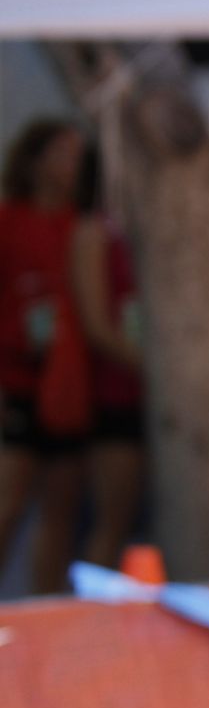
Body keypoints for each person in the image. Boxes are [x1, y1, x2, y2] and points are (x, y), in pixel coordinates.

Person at [0, 120, 91, 595]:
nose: (70, 165)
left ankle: (45, 607)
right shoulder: (9, 220)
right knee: (8, 504)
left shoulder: (82, 225)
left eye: (77, 154)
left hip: (70, 387)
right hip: (17, 382)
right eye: (61, 152)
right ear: (33, 160)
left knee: (61, 509)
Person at [72, 146, 146, 570]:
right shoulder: (94, 231)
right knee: (113, 519)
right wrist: (154, 369)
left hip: (152, 395)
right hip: (114, 393)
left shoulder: (147, 228)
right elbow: (97, 325)